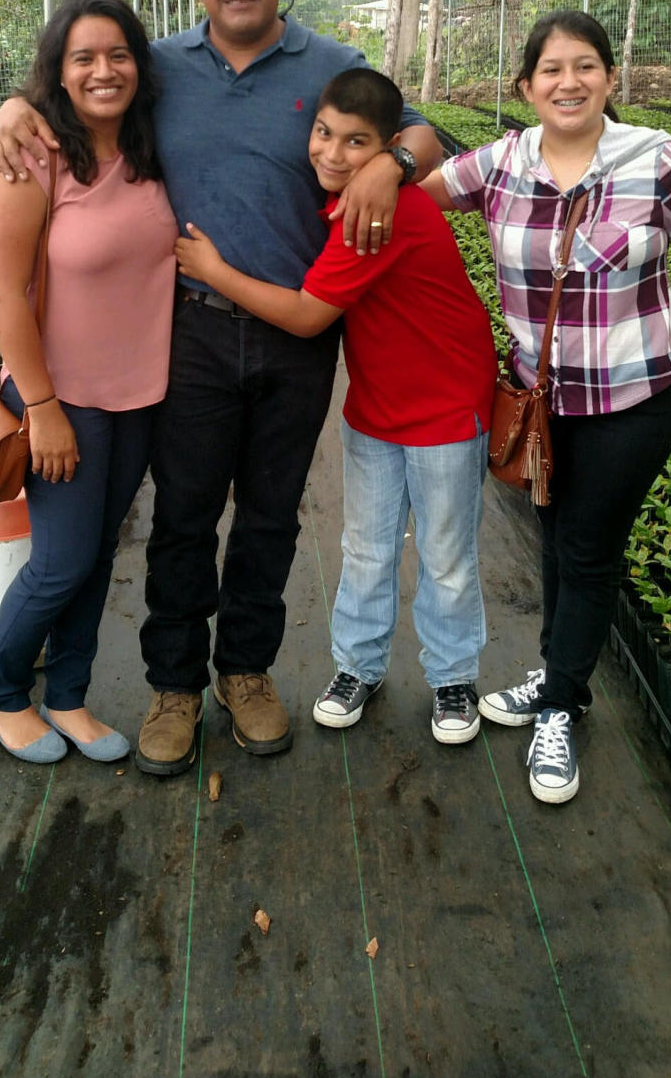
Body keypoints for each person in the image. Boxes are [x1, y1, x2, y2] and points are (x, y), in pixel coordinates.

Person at [0, 0, 441, 776]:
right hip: (186, 331)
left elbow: (413, 126)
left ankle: (246, 672)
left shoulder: (332, 63)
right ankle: (174, 685)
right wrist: (12, 104)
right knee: (183, 515)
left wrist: (393, 162)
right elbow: (73, 84)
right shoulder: (159, 67)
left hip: (297, 334)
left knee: (271, 515)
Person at [421, 9, 671, 805]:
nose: (568, 81)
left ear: (611, 79)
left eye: (586, 66)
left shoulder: (653, 158)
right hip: (544, 405)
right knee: (553, 535)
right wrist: (381, 160)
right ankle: (560, 669)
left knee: (585, 547)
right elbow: (417, 192)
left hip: (632, 396)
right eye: (551, 69)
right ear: (525, 86)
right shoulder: (501, 163)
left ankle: (560, 704)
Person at [174, 67, 497, 742]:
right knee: (367, 548)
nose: (330, 152)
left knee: (444, 552)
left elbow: (307, 315)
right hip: (377, 404)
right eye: (323, 132)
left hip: (443, 406)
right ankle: (358, 666)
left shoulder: (378, 212)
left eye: (357, 142)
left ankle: (453, 677)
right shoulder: (347, 199)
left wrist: (214, 272)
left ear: (385, 149)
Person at [0, 0, 177, 764]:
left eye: (119, 53)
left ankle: (67, 695)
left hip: (139, 395)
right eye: (83, 57)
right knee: (61, 560)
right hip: (60, 396)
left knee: (95, 556)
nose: (104, 70)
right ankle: (2, 696)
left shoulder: (150, 145)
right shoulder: (31, 157)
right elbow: (0, 292)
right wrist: (41, 405)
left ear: (140, 64)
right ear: (57, 74)